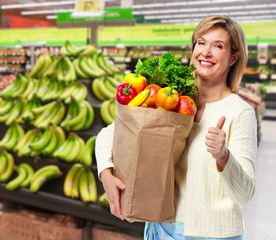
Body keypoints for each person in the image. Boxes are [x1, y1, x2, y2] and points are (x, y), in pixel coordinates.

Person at [95, 15, 257, 239]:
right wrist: (106, 174)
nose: (206, 52)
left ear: (233, 57)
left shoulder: (240, 113)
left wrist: (223, 157)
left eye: (218, 46)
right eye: (201, 43)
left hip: (211, 234)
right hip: (160, 226)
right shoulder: (172, 97)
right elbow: (110, 133)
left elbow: (245, 194)